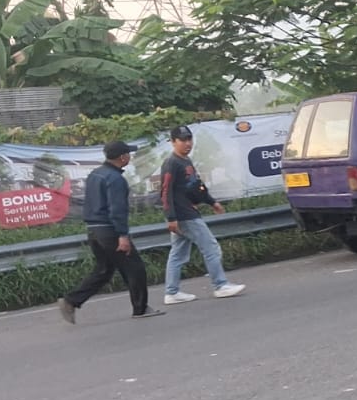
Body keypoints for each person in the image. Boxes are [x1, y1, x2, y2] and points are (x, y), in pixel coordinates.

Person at [57, 141, 164, 322]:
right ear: (122, 157)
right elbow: (117, 210)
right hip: (109, 230)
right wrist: (123, 235)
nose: (130, 156)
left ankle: (71, 301)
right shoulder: (115, 179)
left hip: (93, 229)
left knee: (104, 270)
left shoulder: (95, 174)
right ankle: (140, 308)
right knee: (135, 268)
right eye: (128, 154)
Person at [159, 124, 245, 304]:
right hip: (184, 215)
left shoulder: (186, 161)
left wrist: (211, 201)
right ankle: (220, 285)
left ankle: (172, 292)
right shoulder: (171, 163)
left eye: (189, 139)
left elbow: (196, 186)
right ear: (173, 142)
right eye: (183, 140)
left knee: (178, 254)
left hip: (187, 212)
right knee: (211, 248)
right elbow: (165, 191)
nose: (187, 143)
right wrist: (171, 217)